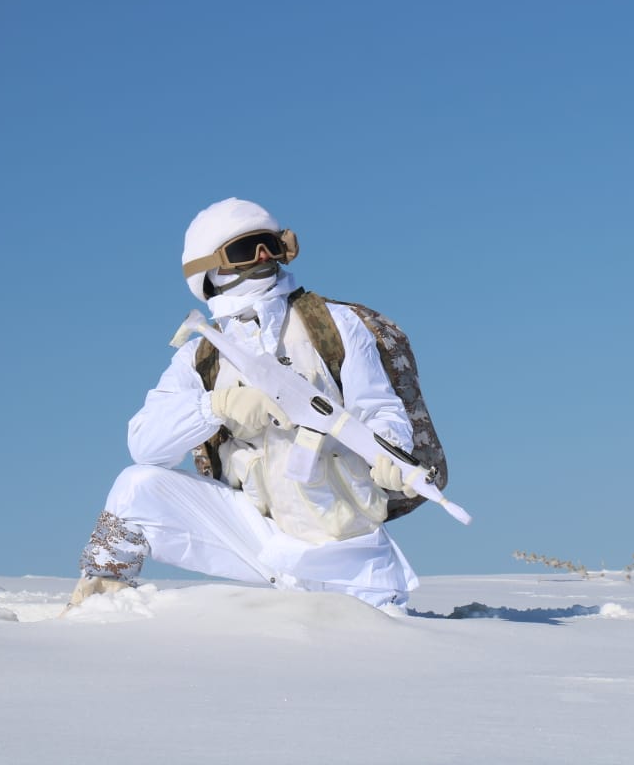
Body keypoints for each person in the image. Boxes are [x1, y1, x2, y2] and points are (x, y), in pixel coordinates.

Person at [68, 198, 422, 610]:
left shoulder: (334, 325)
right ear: (209, 271)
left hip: (351, 556)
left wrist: (391, 450)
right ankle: (99, 604)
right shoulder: (201, 355)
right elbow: (145, 445)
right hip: (260, 536)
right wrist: (217, 406)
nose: (264, 258)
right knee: (136, 487)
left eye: (271, 244)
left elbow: (380, 409)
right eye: (245, 249)